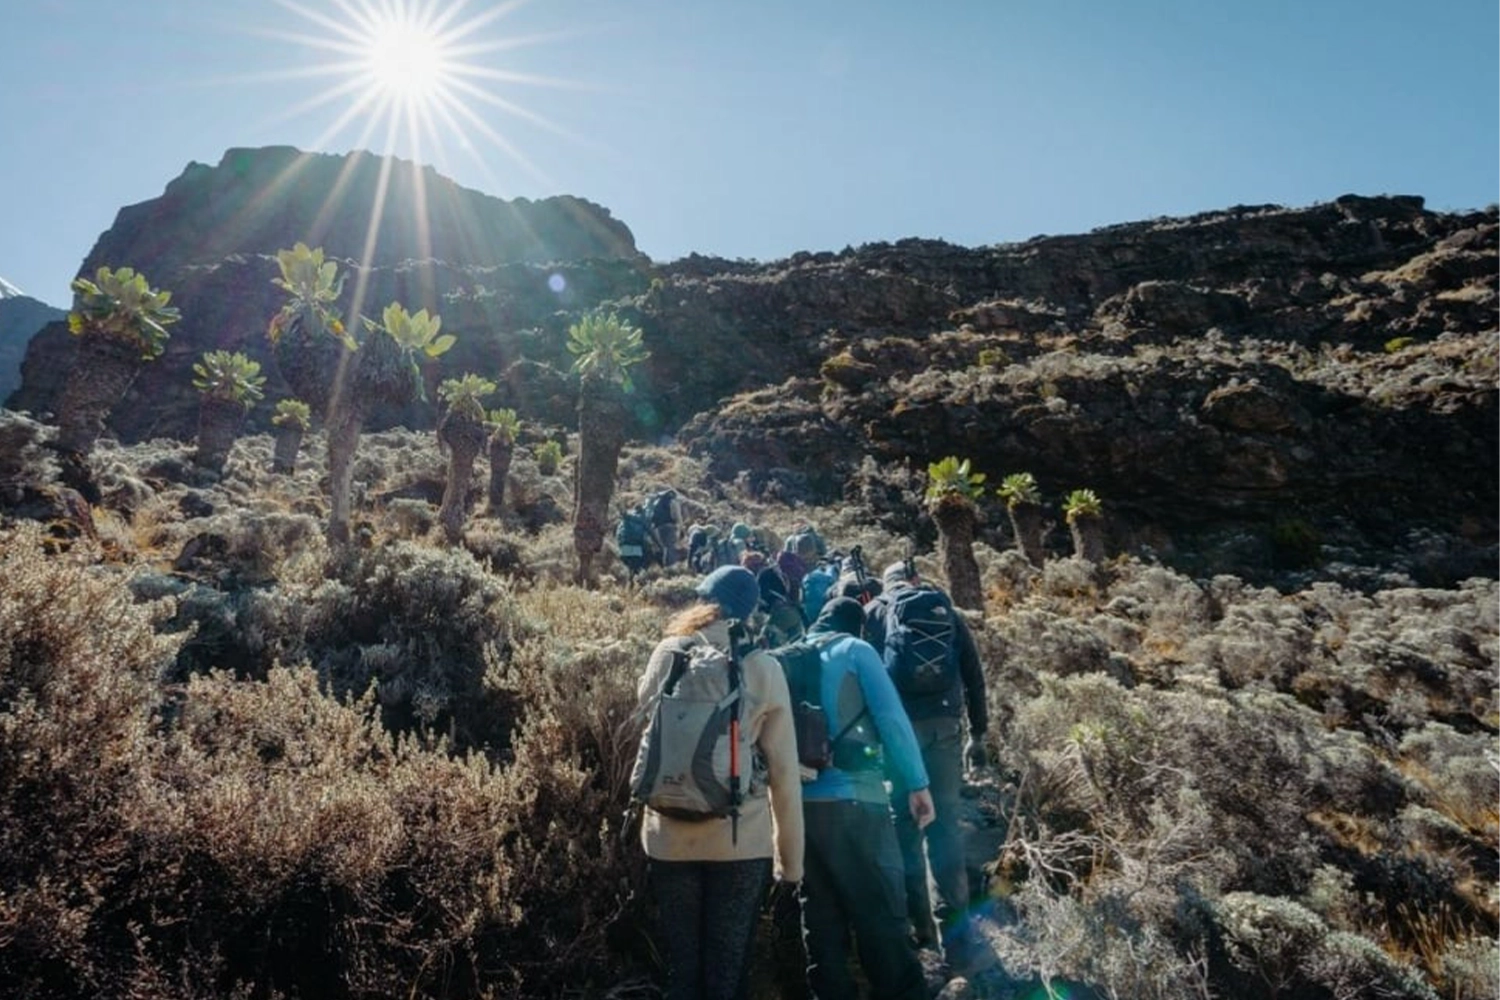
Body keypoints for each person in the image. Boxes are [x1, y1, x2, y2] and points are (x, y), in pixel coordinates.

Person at [637, 565, 805, 1000]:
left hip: (666, 835)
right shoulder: (762, 666)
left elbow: (646, 725)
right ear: (750, 612)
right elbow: (784, 773)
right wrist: (791, 865)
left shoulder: (667, 653)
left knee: (682, 969)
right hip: (739, 841)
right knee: (726, 973)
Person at [799, 597, 935, 1000]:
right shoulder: (856, 650)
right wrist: (917, 782)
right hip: (857, 798)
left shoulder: (787, 655)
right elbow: (891, 719)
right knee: (882, 913)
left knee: (821, 921)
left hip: (800, 808)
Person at [864, 561, 990, 967]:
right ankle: (958, 939)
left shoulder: (875, 612)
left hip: (898, 732)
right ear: (915, 580)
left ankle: (920, 933)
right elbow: (974, 675)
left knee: (903, 823)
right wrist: (978, 734)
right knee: (945, 827)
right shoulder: (945, 611)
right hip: (945, 727)